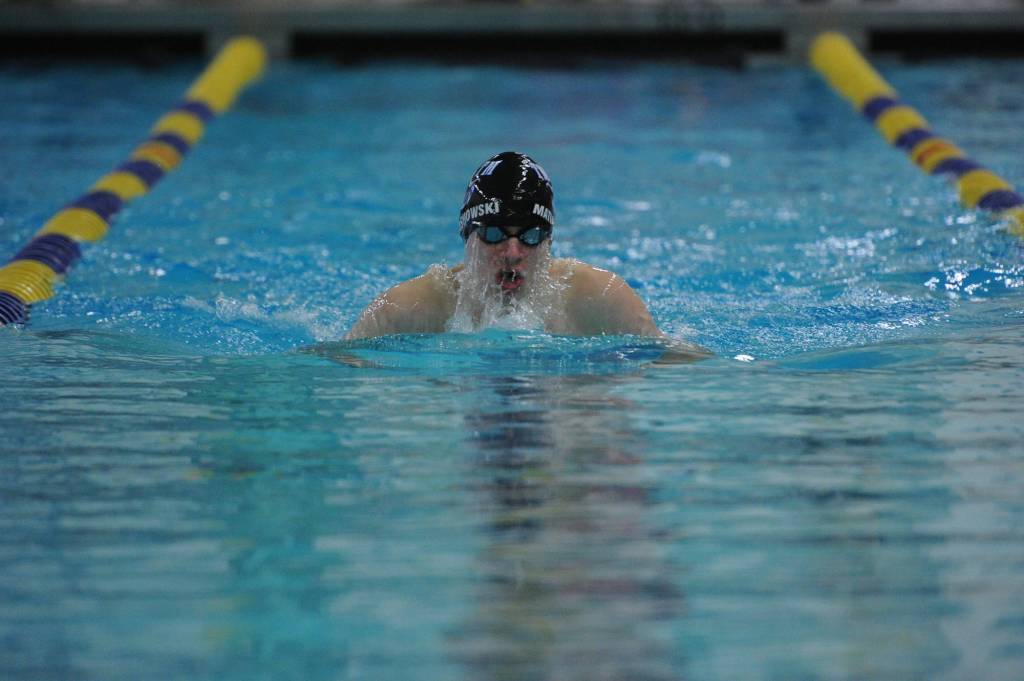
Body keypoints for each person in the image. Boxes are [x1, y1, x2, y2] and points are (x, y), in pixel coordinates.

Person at [345, 151, 707, 357]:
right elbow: (332, 368)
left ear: (548, 241)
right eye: (493, 233)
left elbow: (680, 363)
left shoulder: (599, 298)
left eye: (530, 236)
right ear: (466, 236)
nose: (512, 252)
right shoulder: (410, 308)